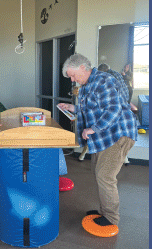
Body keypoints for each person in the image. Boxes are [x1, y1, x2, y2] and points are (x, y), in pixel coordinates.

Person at [57, 54, 137, 231]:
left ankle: (111, 218)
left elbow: (113, 108)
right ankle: (104, 211)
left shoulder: (102, 80)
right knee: (97, 171)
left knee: (105, 176)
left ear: (83, 68)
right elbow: (92, 108)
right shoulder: (86, 85)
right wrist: (73, 108)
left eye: (73, 75)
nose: (72, 80)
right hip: (105, 136)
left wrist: (93, 128)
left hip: (118, 133)